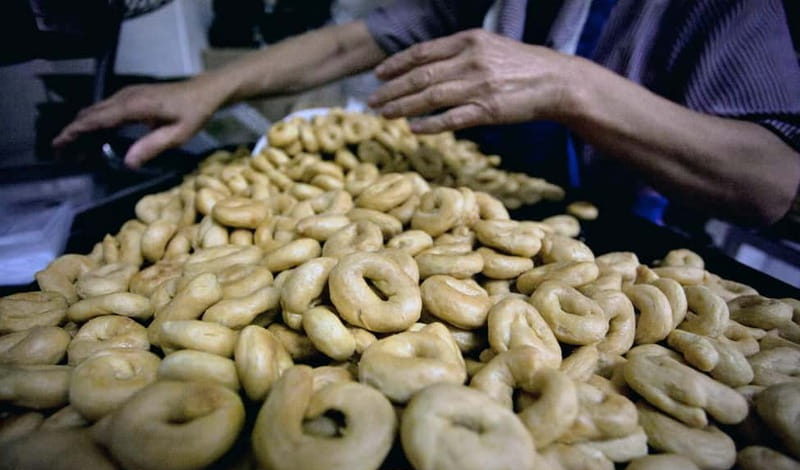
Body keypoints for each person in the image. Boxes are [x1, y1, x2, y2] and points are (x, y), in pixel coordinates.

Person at [53, 0, 800, 226]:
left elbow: (772, 178)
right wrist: (205, 89)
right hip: (481, 215)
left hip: (629, 244)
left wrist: (574, 86)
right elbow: (356, 39)